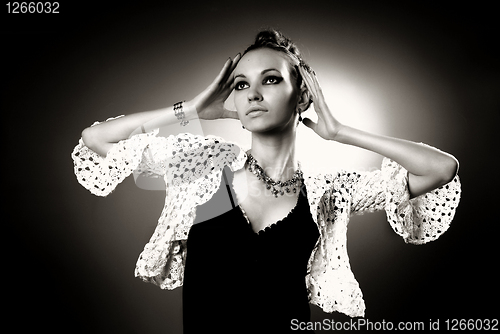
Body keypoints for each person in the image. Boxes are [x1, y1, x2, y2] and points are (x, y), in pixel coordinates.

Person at [72, 29, 461, 333]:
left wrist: (340, 132)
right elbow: (97, 139)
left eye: (270, 80)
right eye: (241, 84)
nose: (252, 94)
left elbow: (440, 169)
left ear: (302, 95)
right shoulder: (204, 167)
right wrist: (190, 109)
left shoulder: (329, 192)